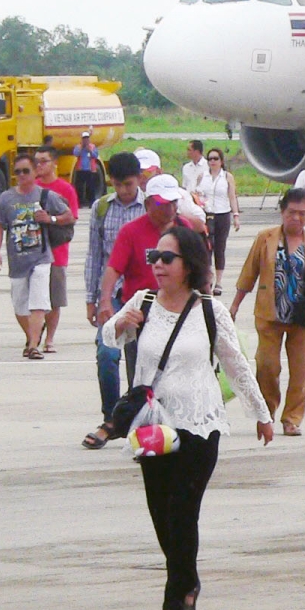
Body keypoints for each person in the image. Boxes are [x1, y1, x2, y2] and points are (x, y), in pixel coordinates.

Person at [113, 225, 272, 610]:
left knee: (183, 512)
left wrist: (261, 412)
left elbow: (235, 363)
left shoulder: (209, 310)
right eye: (154, 257)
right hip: (153, 428)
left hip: (200, 425)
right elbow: (109, 339)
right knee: (161, 515)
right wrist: (118, 325)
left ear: (189, 264)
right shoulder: (142, 302)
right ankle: (189, 580)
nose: (158, 265)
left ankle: (172, 603)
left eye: (167, 258)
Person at [86, 174, 183, 447]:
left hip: (179, 315)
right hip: (140, 316)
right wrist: (104, 301)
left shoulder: (185, 230)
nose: (170, 209)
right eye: (163, 203)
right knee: (136, 375)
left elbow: (202, 271)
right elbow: (113, 268)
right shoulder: (131, 231)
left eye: (174, 202)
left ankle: (173, 430)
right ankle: (119, 421)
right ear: (149, 203)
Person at [231, 188, 305, 436]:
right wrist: (235, 304)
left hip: (302, 315)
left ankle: (292, 418)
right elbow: (248, 272)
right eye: (291, 212)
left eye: (302, 214)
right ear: (282, 212)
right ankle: (267, 413)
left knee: (299, 369)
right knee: (267, 366)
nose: (296, 218)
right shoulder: (266, 238)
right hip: (269, 314)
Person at [0, 154, 71, 360]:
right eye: (17, 172)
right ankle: (32, 335)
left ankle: (34, 346)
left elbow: (68, 215)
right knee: (19, 305)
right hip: (17, 260)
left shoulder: (45, 195)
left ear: (35, 172)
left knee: (39, 302)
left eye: (26, 171)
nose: (22, 176)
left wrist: (50, 218)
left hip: (41, 257)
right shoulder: (6, 199)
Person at [85, 151, 145, 429]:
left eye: (129, 185)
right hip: (113, 296)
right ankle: (111, 417)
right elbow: (95, 256)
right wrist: (93, 299)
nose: (123, 191)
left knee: (140, 360)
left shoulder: (150, 208)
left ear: (140, 180)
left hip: (143, 296)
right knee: (106, 353)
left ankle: (138, 417)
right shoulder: (101, 208)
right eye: (118, 185)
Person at [33, 149, 82, 354]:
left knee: (54, 298)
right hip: (33, 251)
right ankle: (33, 337)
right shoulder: (30, 188)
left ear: (54, 163)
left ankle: (50, 338)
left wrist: (51, 219)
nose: (39, 166)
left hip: (57, 251)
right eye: (36, 162)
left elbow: (72, 217)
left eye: (43, 162)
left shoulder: (65, 189)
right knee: (34, 297)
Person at [196, 148, 240, 295]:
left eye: (215, 159)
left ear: (221, 161)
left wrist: (235, 215)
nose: (212, 162)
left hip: (222, 214)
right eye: (210, 159)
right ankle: (208, 278)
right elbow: (197, 195)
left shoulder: (227, 177)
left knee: (220, 248)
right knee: (207, 247)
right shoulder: (202, 176)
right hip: (207, 214)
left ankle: (219, 282)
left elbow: (232, 196)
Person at [72, 132, 103, 207]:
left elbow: (95, 155)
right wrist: (82, 148)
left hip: (90, 170)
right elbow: (75, 154)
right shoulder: (78, 147)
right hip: (81, 170)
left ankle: (91, 203)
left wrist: (90, 151)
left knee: (90, 187)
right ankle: (80, 203)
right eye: (84, 139)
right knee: (79, 187)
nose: (86, 140)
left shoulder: (92, 147)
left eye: (87, 138)